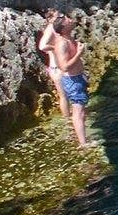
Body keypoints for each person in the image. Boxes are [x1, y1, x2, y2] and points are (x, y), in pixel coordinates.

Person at [52, 14, 91, 147]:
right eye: (67, 20)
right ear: (63, 28)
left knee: (81, 110)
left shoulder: (69, 39)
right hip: (72, 80)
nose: (71, 20)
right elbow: (64, 67)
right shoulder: (62, 43)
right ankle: (83, 144)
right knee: (78, 112)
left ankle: (83, 137)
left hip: (78, 78)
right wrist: (79, 53)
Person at [38, 9, 70, 117]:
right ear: (50, 18)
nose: (60, 18)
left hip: (59, 67)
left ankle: (71, 116)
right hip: (56, 69)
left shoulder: (55, 29)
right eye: (57, 16)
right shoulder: (50, 28)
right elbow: (42, 46)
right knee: (63, 95)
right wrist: (56, 48)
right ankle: (67, 119)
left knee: (66, 94)